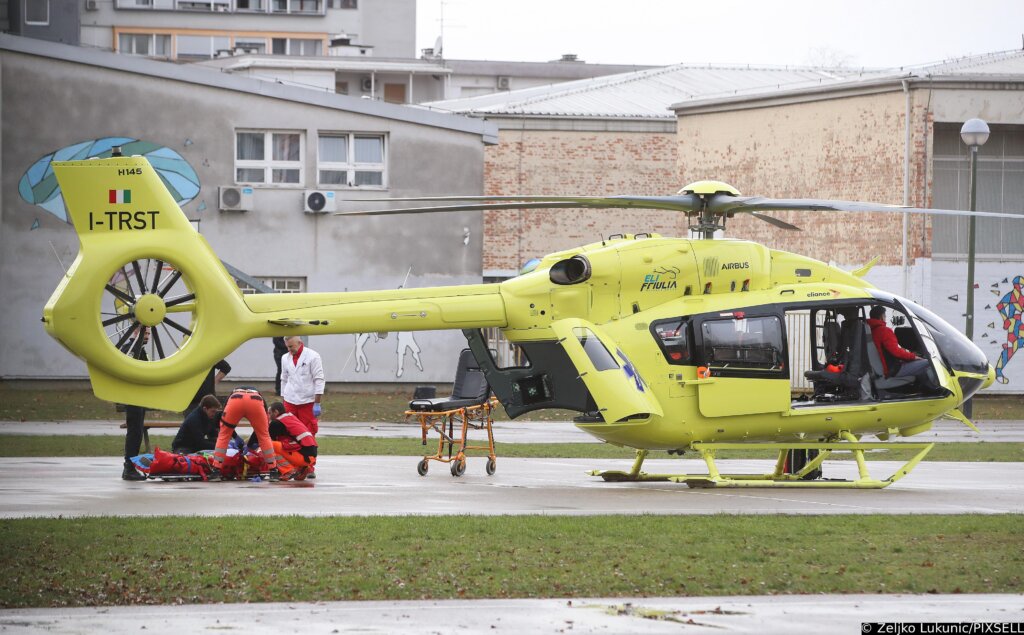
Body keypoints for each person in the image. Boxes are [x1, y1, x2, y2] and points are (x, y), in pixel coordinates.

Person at [210, 387, 278, 479]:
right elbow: (262, 430)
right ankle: (273, 470)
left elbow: (226, 425)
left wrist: (235, 436)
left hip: (235, 400)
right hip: (256, 401)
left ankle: (216, 470)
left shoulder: (231, 395)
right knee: (264, 436)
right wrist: (250, 445)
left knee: (223, 435)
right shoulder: (259, 395)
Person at [866, 306, 931, 381]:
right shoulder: (884, 331)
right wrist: (913, 356)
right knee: (929, 363)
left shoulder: (870, 331)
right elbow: (896, 352)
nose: (885, 318)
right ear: (881, 317)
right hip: (893, 369)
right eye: (885, 316)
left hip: (883, 368)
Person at [280, 335, 324, 436]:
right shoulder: (284, 358)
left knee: (308, 432)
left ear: (300, 343)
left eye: (291, 346)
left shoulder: (313, 356)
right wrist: (283, 399)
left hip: (307, 402)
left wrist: (317, 403)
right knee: (288, 431)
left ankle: (308, 451)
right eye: (287, 347)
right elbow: (284, 379)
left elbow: (319, 379)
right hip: (290, 401)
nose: (289, 350)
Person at [121, 326, 149, 481]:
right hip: (133, 397)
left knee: (136, 432)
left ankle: (130, 467)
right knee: (135, 432)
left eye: (149, 333)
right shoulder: (130, 348)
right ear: (136, 332)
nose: (148, 336)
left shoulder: (140, 349)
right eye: (145, 332)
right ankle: (129, 468)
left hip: (139, 397)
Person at [262, 401, 318, 481]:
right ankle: (302, 469)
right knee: (282, 446)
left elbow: (262, 438)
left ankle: (288, 470)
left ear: (276, 412)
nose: (269, 416)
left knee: (269, 446)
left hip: (303, 455)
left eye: (270, 413)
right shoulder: (290, 418)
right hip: (310, 457)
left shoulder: (276, 423)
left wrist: (247, 446)